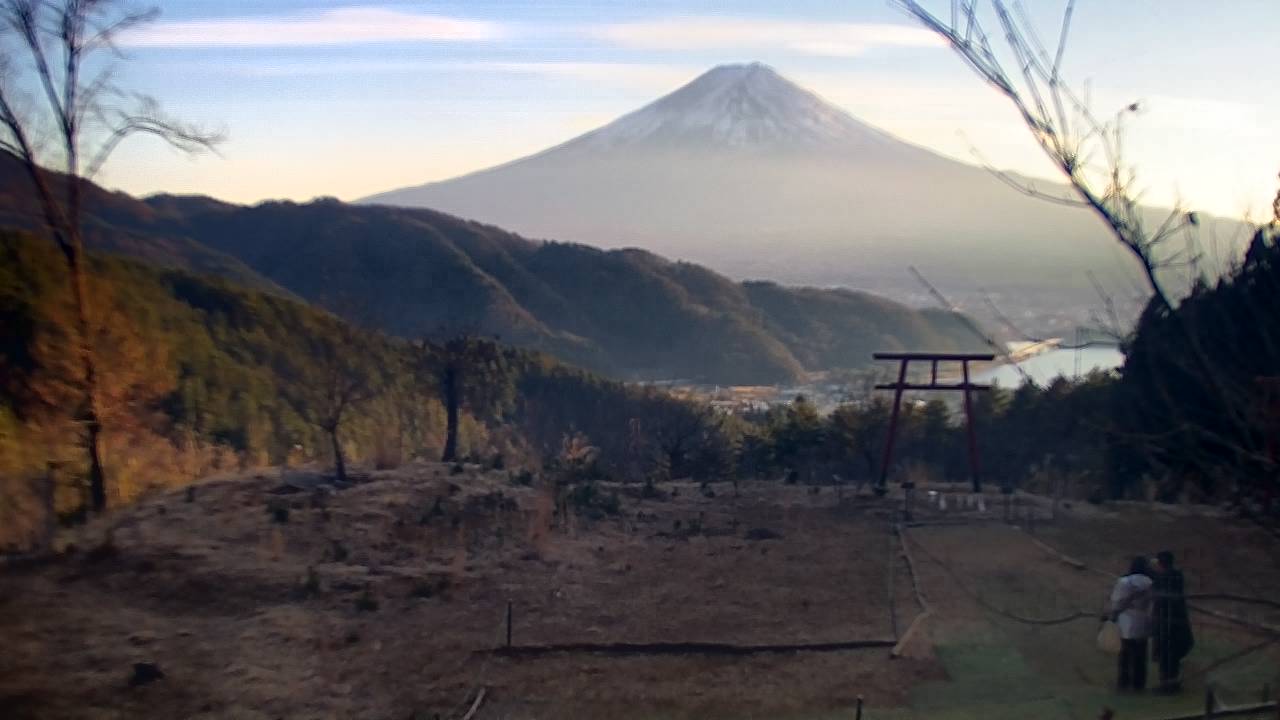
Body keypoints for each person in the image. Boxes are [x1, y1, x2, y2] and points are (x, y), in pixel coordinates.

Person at [1108, 556, 1154, 691]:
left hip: (1126, 619)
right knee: (1141, 655)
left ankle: (1123, 683)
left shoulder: (1124, 582)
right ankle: (1139, 684)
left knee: (1125, 654)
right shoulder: (1150, 582)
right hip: (1143, 618)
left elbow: (1117, 601)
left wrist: (1113, 614)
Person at [1152, 550, 1194, 692]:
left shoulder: (1164, 578)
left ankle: (1167, 685)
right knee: (1173, 655)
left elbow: (1159, 597)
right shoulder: (1176, 575)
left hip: (1166, 622)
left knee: (1167, 655)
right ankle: (1172, 682)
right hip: (1178, 620)